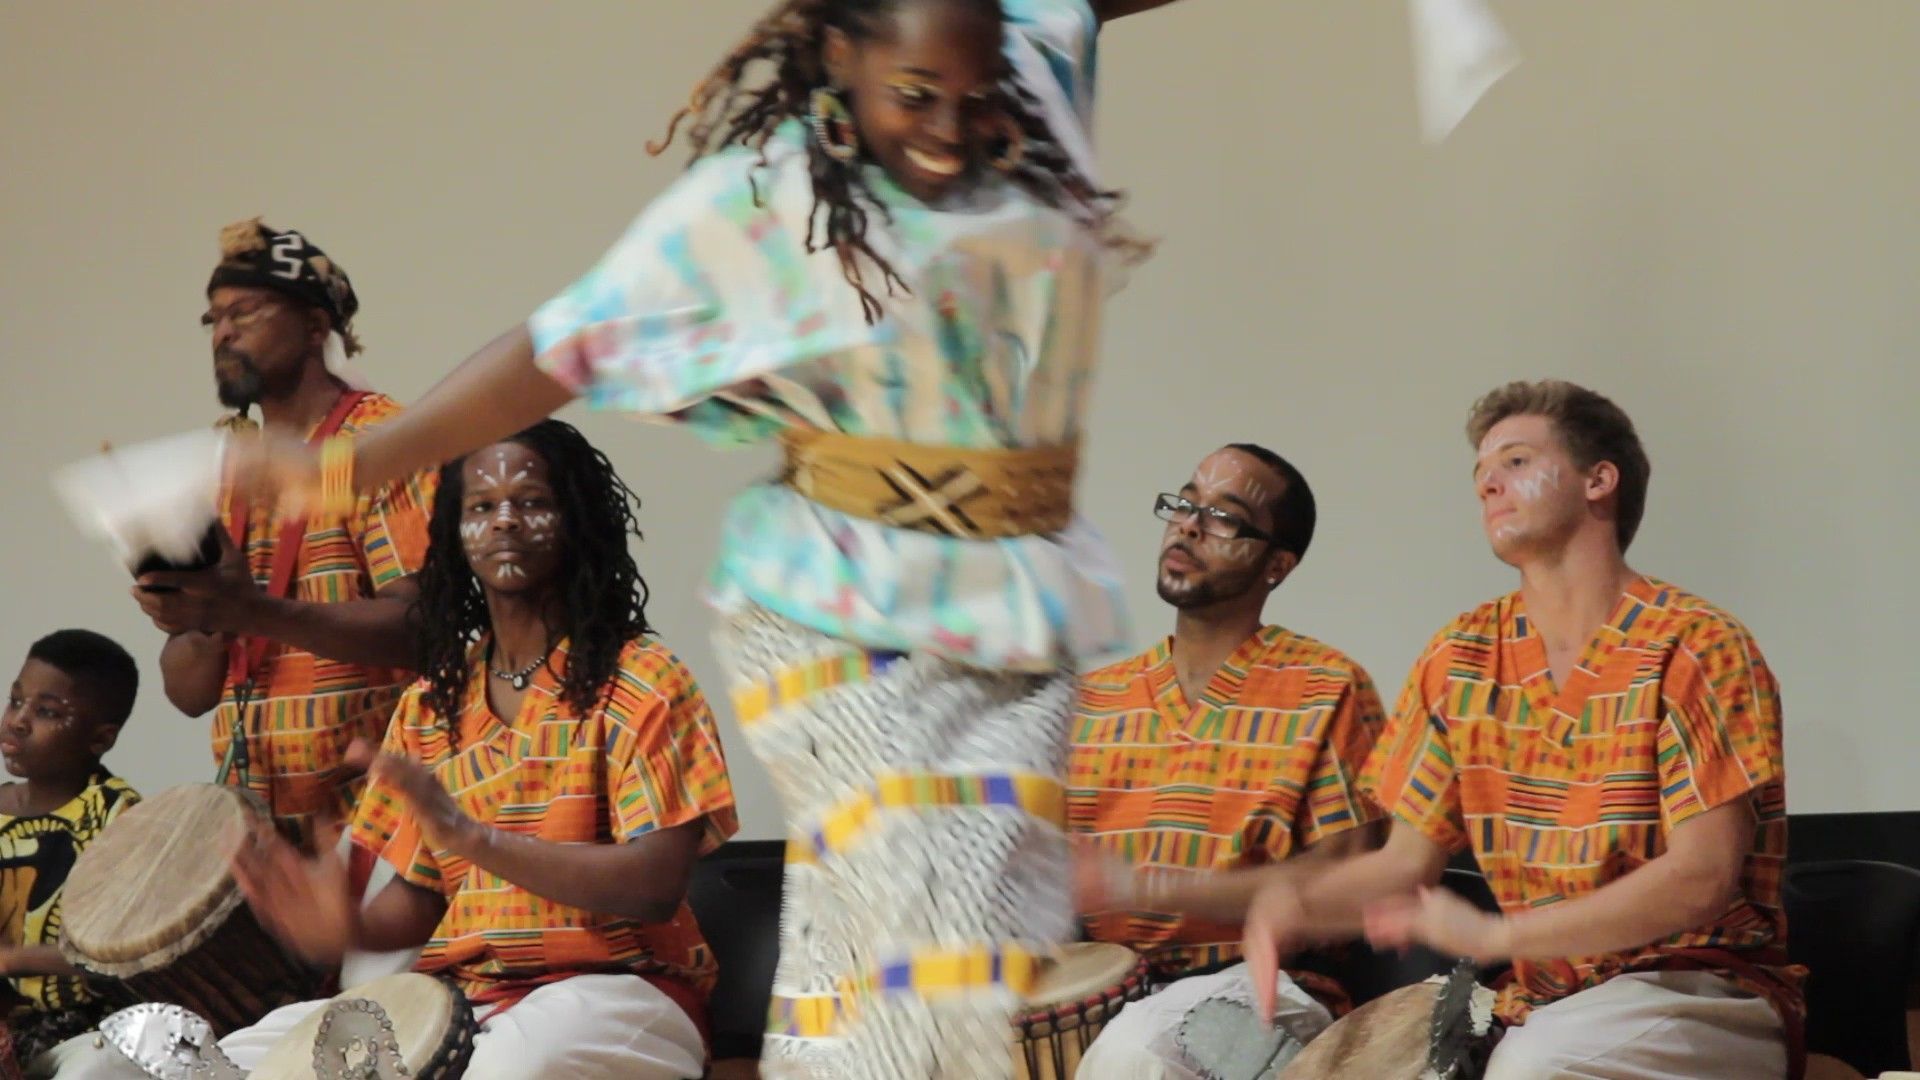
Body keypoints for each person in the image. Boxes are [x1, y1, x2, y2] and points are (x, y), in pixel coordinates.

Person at [227, 1, 1189, 1075]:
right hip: (847, 615)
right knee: (926, 958)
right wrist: (363, 461)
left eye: (973, 99)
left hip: (1019, 605)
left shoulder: (1028, 68)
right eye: (913, 96)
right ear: (841, 59)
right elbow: (563, 345)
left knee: (904, 995)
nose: (948, 131)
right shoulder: (767, 196)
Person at [66, 421, 738, 1080]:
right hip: (462, 994)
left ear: (579, 520)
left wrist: (472, 839)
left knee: (518, 1067)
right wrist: (342, 927)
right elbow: (418, 899)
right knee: (229, 1058)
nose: (503, 520)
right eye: (481, 506)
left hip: (621, 990)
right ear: (454, 535)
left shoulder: (644, 678)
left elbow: (653, 885)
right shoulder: (433, 703)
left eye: (531, 502)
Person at [1242, 380, 1803, 1080]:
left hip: (1703, 989)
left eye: (1512, 461)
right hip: (1545, 1001)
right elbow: (1401, 864)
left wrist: (1498, 934)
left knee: (1535, 1068)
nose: (1487, 486)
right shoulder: (1460, 657)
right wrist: (1291, 902)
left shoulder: (1695, 644)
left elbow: (1702, 876)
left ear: (1599, 480)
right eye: (1479, 474)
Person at [1066, 444, 1386, 1079]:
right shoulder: (1094, 700)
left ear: (1278, 564)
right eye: (1185, 503)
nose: (1188, 523)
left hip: (1262, 993)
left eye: (1223, 516)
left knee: (1135, 1056)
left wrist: (1144, 885)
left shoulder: (1327, 687)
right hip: (1100, 990)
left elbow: (1338, 889)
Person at [129, 220, 435, 856]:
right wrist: (196, 618)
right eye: (212, 319)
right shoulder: (230, 468)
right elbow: (190, 694)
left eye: (245, 311)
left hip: (382, 827)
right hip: (263, 831)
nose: (224, 332)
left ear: (316, 327)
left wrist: (253, 610)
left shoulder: (379, 445)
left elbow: (420, 628)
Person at [0, 631, 141, 1076]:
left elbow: (126, 953)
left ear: (100, 739)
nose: (18, 721)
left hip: (89, 1028)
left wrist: (11, 959)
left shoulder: (118, 816)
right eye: (15, 701)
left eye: (47, 712)